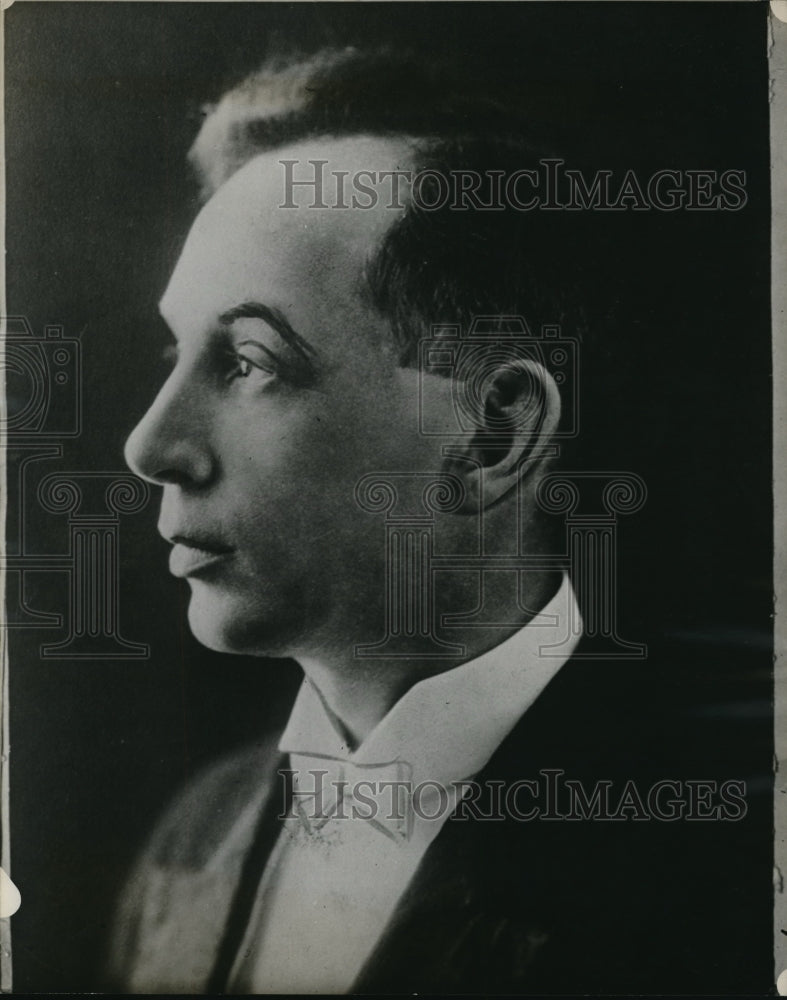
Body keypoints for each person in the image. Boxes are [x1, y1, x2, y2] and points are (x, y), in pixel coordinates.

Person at [107, 47, 769, 994]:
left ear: (494, 434)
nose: (151, 444)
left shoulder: (719, 876)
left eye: (249, 361)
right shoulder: (195, 833)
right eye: (176, 353)